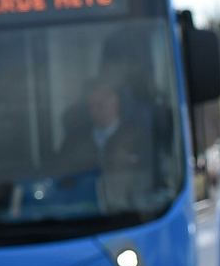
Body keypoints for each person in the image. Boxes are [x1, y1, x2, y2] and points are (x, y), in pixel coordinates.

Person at [55, 75, 153, 212]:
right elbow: (61, 177)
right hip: (82, 211)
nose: (95, 111)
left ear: (115, 102)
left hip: (129, 212)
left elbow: (151, 178)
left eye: (101, 105)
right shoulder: (74, 140)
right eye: (91, 106)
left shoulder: (138, 137)